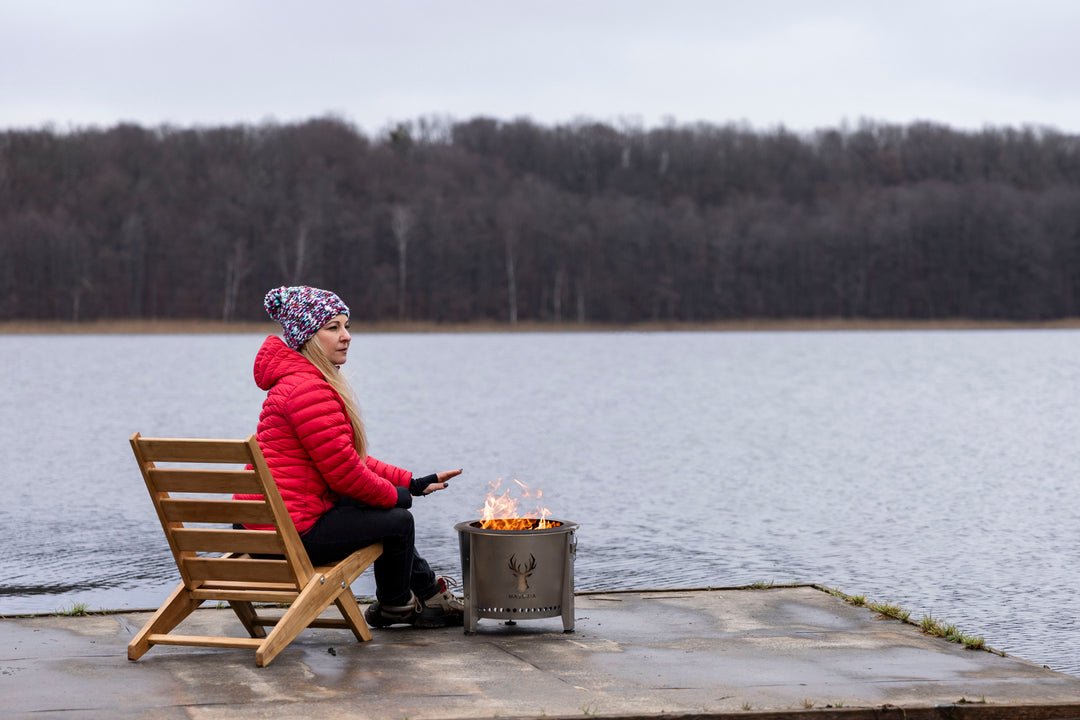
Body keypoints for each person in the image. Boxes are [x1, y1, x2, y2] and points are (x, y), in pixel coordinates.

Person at [236, 285, 464, 628]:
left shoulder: (293, 382)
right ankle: (397, 605)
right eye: (333, 328)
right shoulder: (308, 390)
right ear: (309, 337)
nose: (346, 337)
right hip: (287, 534)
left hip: (260, 524)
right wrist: (398, 498)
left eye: (347, 326)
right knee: (398, 521)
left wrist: (411, 484)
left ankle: (428, 594)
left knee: (379, 507)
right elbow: (345, 474)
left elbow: (347, 458)